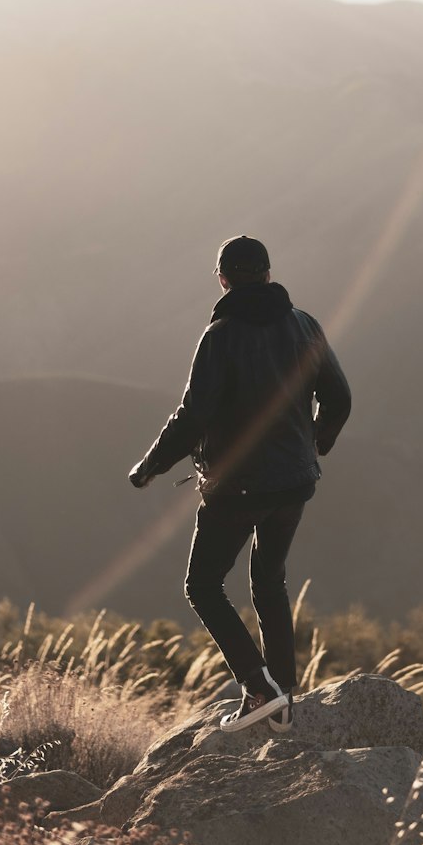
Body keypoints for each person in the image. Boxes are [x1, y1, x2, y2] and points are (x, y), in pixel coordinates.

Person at [129, 235, 351, 732]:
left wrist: (149, 467)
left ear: (224, 280)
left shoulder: (221, 335)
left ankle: (258, 688)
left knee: (203, 585)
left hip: (238, 487)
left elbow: (193, 416)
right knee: (269, 580)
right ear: (269, 275)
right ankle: (284, 698)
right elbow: (339, 398)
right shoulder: (305, 326)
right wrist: (313, 444)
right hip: (294, 484)